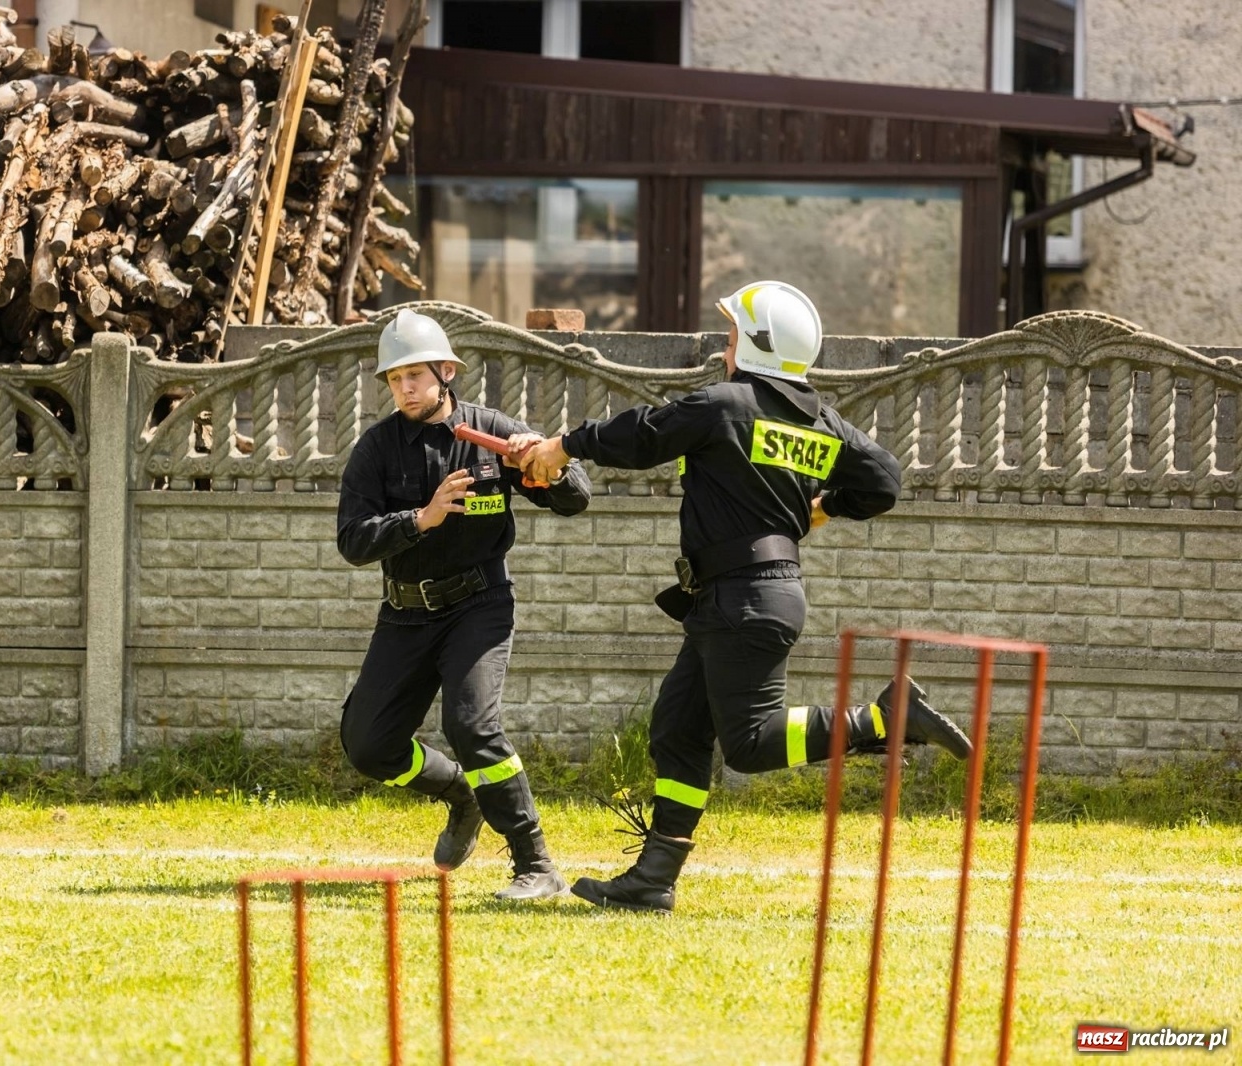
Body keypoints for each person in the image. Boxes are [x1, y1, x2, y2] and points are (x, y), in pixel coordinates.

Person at [518, 281, 972, 914]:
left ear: (755, 346)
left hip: (743, 601)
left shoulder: (726, 405)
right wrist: (825, 506)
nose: (724, 347)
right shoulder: (819, 419)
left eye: (732, 336)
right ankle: (653, 878)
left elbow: (646, 434)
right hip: (737, 599)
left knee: (751, 744)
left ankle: (882, 719)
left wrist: (563, 445)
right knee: (678, 730)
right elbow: (885, 481)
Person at [336, 308, 593, 900]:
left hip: (480, 604)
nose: (404, 388)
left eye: (415, 376)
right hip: (405, 611)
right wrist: (419, 519)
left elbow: (576, 498)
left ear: (446, 371)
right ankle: (460, 793)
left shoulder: (491, 432)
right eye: (395, 379)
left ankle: (536, 865)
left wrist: (541, 466)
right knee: (369, 745)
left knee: (471, 723)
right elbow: (352, 540)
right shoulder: (374, 450)